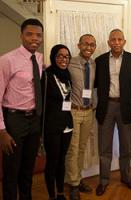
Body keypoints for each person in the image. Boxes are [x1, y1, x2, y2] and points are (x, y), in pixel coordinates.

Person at [95, 29, 131, 196]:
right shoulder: (99, 60)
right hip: (106, 107)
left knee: (126, 146)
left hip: (126, 108)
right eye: (113, 39)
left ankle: (126, 177)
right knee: (104, 146)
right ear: (108, 42)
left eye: (119, 39)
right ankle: (103, 180)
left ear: (124, 42)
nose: (116, 42)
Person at [0, 18, 43, 200]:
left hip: (34, 120)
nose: (34, 38)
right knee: (12, 170)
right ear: (21, 36)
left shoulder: (40, 59)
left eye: (38, 35)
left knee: (28, 168)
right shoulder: (6, 60)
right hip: (13, 120)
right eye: (29, 34)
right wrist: (2, 130)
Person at [65, 34, 96, 200]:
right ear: (79, 45)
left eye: (92, 45)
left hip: (89, 111)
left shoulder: (94, 64)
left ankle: (77, 178)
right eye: (85, 44)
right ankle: (74, 184)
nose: (88, 47)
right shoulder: (69, 63)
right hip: (73, 111)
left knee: (82, 148)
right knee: (73, 148)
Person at [42, 44, 73, 200]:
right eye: (60, 56)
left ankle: (60, 192)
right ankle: (51, 195)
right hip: (51, 126)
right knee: (52, 161)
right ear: (53, 57)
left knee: (62, 160)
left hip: (67, 125)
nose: (63, 59)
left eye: (66, 56)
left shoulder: (67, 75)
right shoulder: (46, 76)